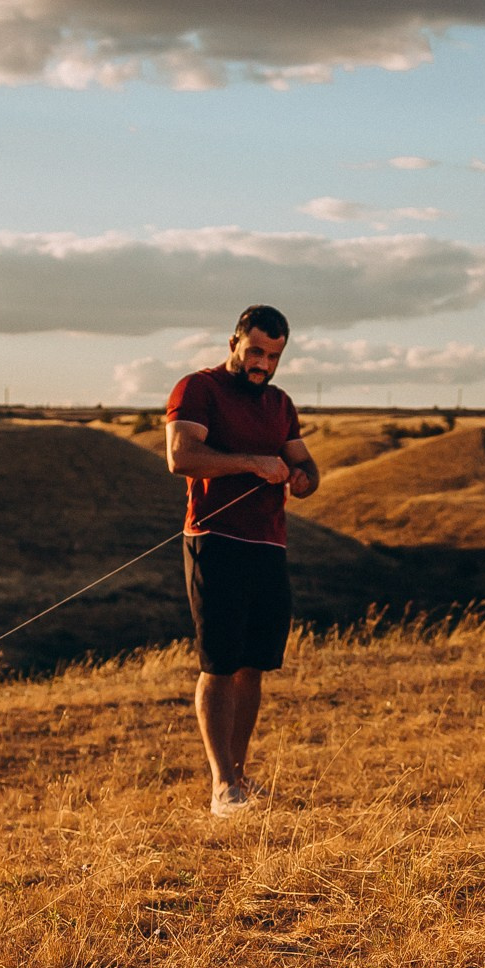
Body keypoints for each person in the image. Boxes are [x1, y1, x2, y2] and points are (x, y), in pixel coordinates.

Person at [164, 305, 322, 817]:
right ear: (234, 341)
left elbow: (305, 464)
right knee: (221, 662)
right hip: (215, 539)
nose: (263, 363)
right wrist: (251, 463)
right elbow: (181, 457)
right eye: (255, 351)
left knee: (255, 665)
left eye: (273, 356)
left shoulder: (280, 403)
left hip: (269, 544)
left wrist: (303, 478)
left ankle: (240, 778)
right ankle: (220, 786)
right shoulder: (198, 389)